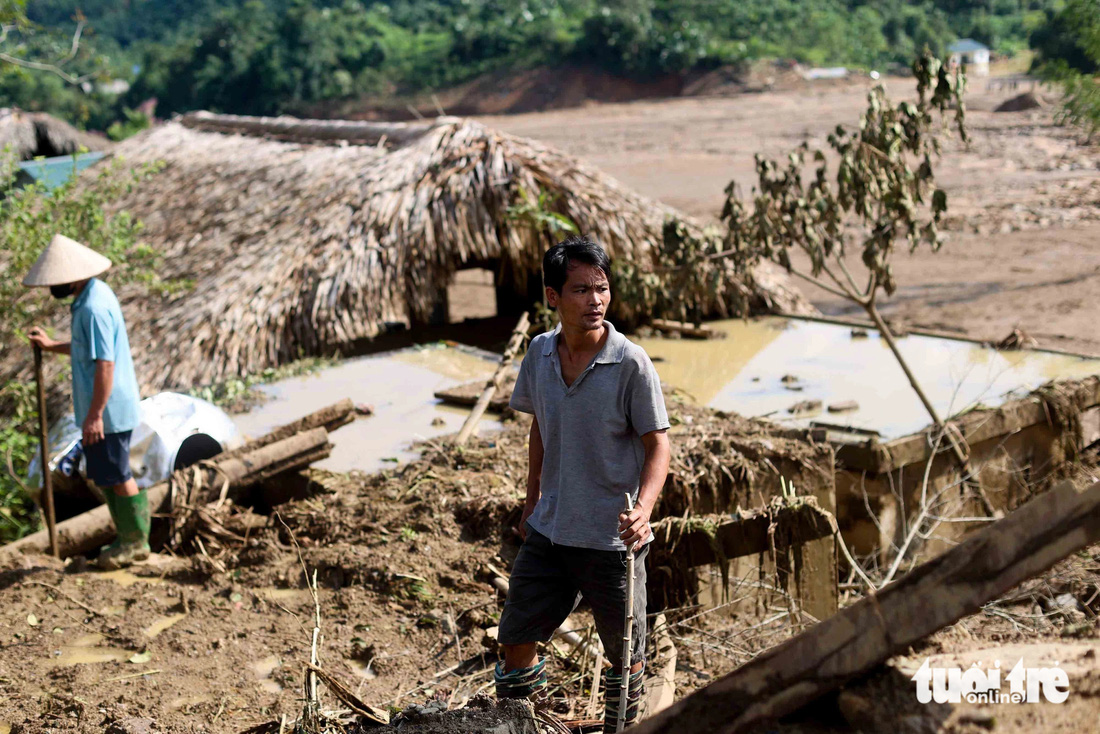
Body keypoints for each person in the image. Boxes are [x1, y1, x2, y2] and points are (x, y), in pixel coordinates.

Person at [495, 235, 671, 732]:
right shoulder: (539, 354)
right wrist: (531, 501)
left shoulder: (630, 362)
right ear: (553, 296)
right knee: (515, 637)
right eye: (580, 290)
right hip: (551, 529)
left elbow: (659, 444)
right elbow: (539, 428)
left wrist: (643, 510)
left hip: (612, 537)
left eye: (601, 288)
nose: (594, 301)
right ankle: (519, 725)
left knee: (625, 656)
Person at [24, 234, 147, 569]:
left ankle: (135, 544)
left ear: (75, 277)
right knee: (107, 473)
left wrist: (95, 416)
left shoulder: (93, 308)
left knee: (117, 473)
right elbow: (85, 348)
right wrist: (51, 346)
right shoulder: (90, 297)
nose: (55, 288)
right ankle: (128, 538)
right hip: (103, 409)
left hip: (107, 410)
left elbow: (105, 365)